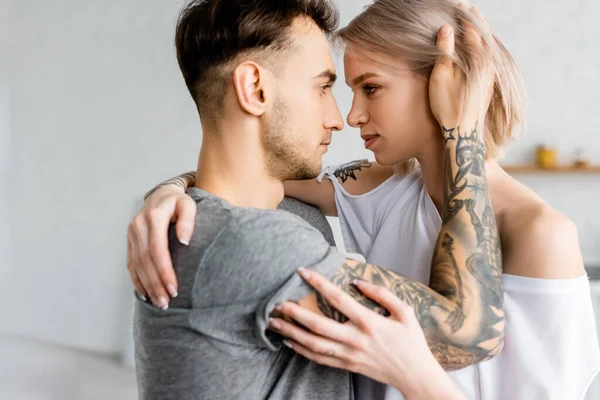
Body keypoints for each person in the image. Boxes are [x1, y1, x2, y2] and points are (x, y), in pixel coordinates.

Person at [131, 0, 599, 399]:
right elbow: (238, 184)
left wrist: (463, 134)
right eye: (336, 89)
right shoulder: (374, 192)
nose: (349, 116)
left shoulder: (542, 234)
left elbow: (244, 184)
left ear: (446, 84)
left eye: (370, 88)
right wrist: (167, 194)